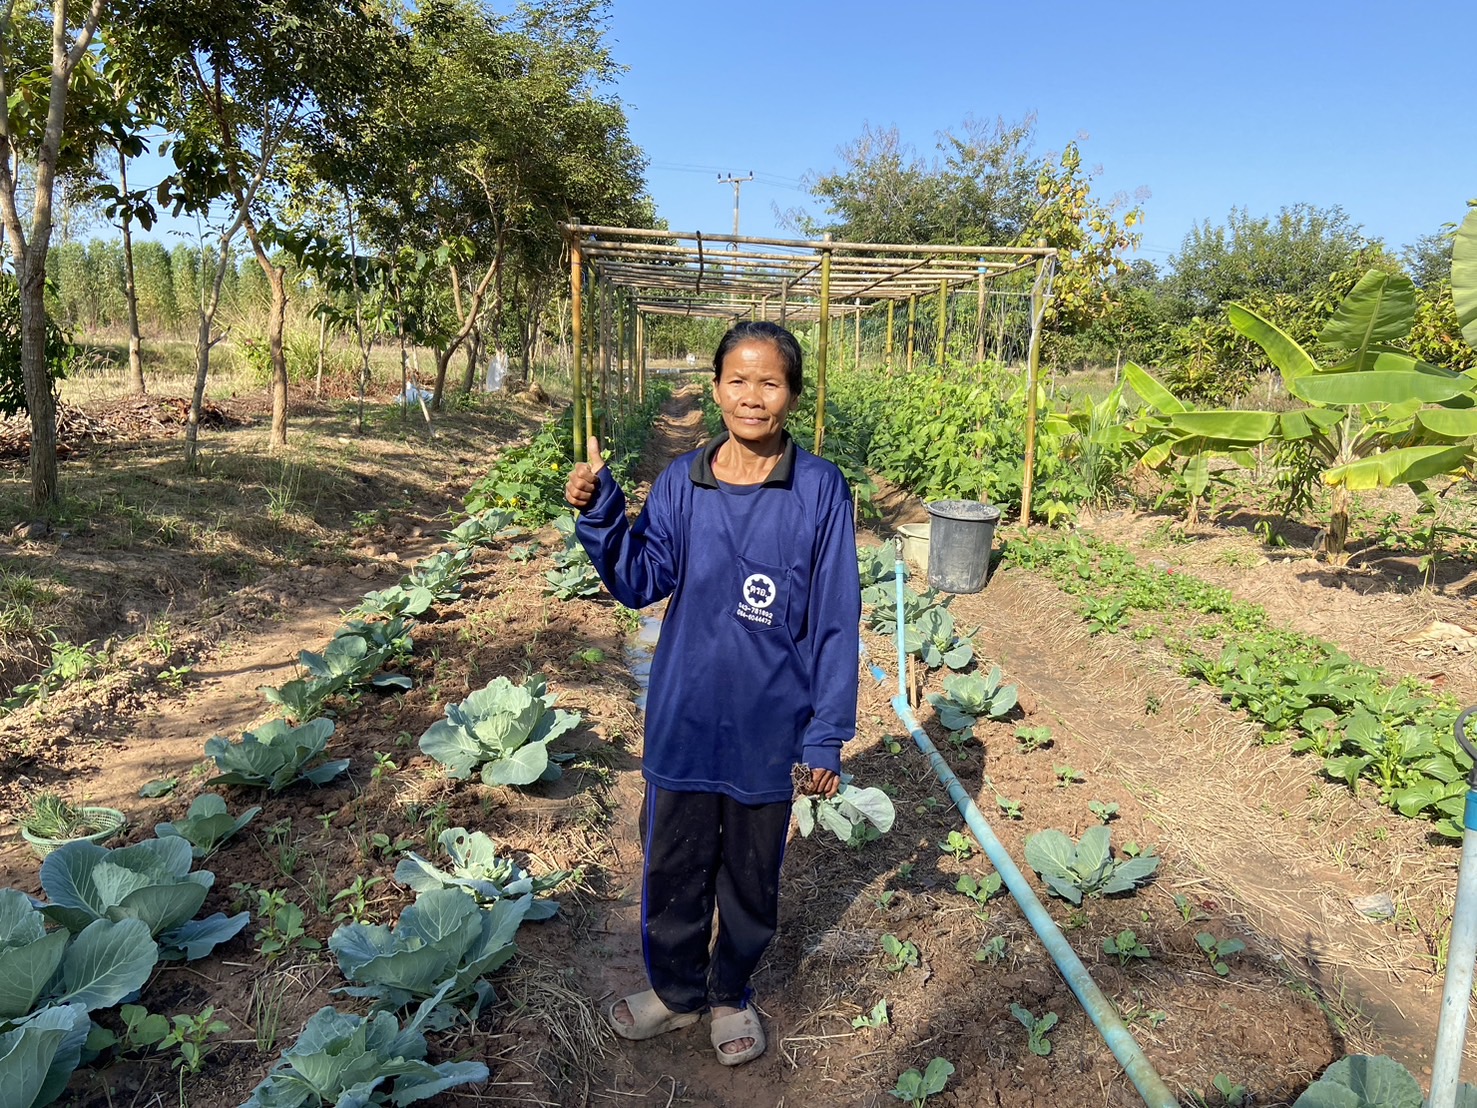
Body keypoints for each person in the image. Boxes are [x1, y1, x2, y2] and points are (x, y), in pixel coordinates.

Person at [564, 320, 861, 1067]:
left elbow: (833, 619)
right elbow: (640, 581)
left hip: (769, 722)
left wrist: (823, 734)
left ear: (791, 393)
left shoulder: (818, 489)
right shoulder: (682, 482)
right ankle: (675, 992)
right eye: (738, 379)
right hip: (684, 716)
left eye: (770, 382)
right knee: (672, 865)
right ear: (717, 385)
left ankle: (731, 992)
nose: (751, 397)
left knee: (751, 874)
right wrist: (599, 509)